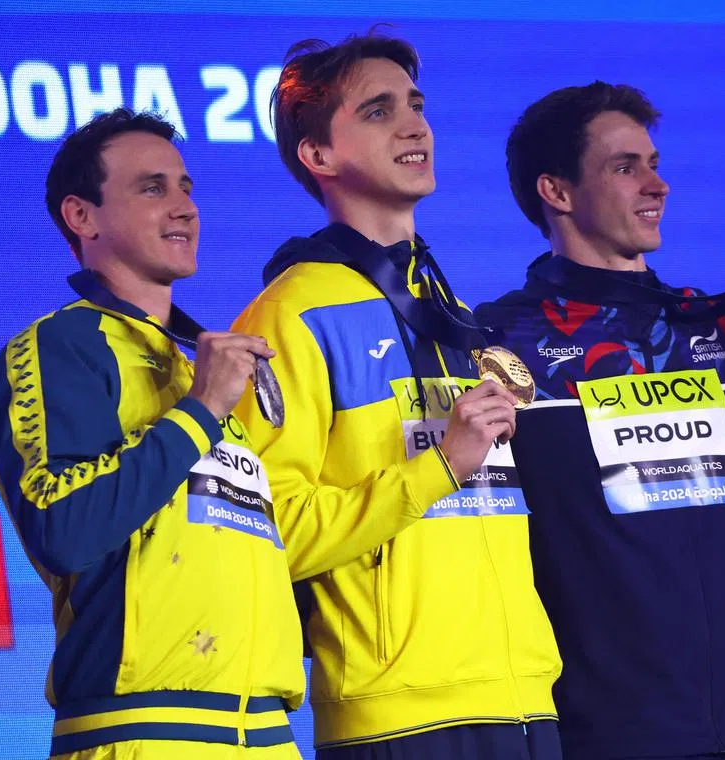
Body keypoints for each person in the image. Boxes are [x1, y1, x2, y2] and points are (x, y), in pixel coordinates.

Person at [475, 82, 725, 760]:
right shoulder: (497, 342)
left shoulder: (708, 326)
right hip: (603, 735)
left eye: (655, 163)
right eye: (624, 166)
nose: (656, 184)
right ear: (558, 192)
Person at [230, 32, 563, 760]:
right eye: (379, 112)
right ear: (318, 157)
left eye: (416, 105)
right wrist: (438, 467)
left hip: (525, 699)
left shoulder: (454, 311)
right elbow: (266, 531)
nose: (415, 125)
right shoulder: (291, 314)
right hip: (397, 715)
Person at [0, 108, 306, 759]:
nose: (184, 207)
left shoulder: (197, 364)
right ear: (83, 216)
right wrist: (200, 410)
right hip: (143, 731)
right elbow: (63, 527)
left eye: (186, 187)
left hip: (266, 733)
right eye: (152, 187)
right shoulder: (61, 345)